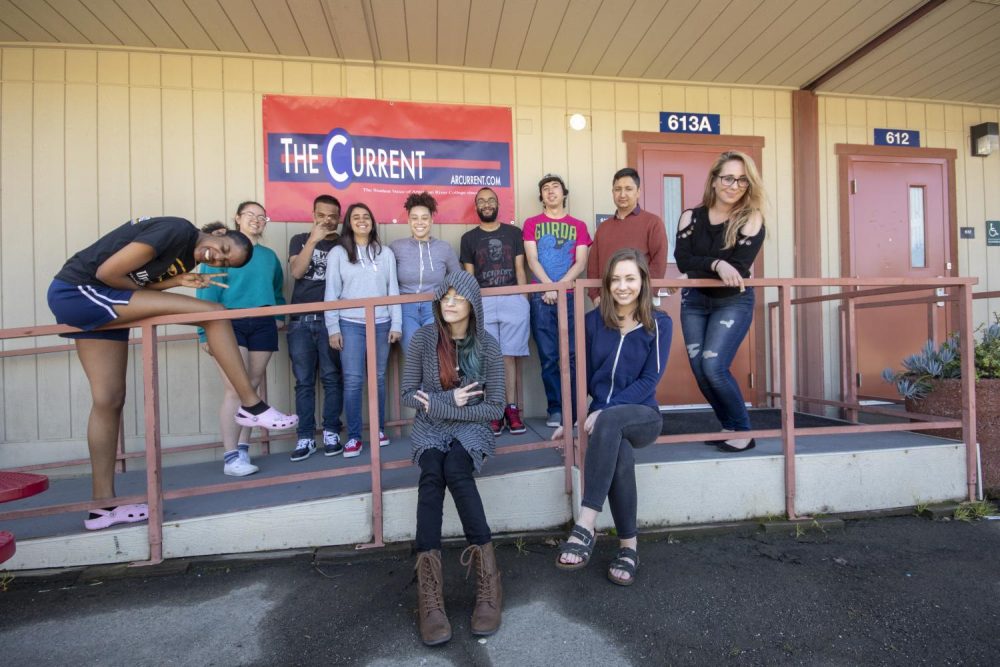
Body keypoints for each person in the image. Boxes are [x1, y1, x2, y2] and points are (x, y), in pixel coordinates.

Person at [47, 215, 297, 530]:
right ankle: (251, 404)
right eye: (221, 248)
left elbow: (137, 283)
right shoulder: (176, 230)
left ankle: (102, 508)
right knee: (214, 313)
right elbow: (108, 273)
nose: (216, 258)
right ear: (218, 232)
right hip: (81, 291)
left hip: (99, 298)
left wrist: (177, 282)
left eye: (224, 262)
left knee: (109, 399)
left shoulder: (184, 259)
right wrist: (169, 296)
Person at [553, 249, 671, 586]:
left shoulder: (659, 323)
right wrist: (571, 418)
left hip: (643, 415)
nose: (622, 286)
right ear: (607, 284)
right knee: (619, 451)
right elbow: (582, 377)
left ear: (642, 282)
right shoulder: (593, 322)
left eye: (630, 278)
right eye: (616, 279)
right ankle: (628, 547)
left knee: (610, 421)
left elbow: (650, 380)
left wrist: (606, 408)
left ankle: (586, 523)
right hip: (605, 423)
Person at [402, 270, 505, 645]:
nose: (448, 303)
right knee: (431, 475)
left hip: (471, 428)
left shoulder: (488, 346)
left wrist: (450, 409)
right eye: (444, 297)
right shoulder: (423, 339)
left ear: (471, 304)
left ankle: (488, 584)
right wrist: (449, 401)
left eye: (456, 297)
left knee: (456, 471)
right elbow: (407, 394)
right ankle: (429, 596)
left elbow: (493, 408)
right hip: (430, 428)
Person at [674, 150, 766, 453]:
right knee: (700, 369)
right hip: (695, 301)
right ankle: (728, 426)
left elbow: (737, 269)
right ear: (714, 180)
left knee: (713, 365)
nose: (734, 185)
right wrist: (716, 264)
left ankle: (743, 430)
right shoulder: (690, 216)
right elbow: (684, 260)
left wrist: (716, 265)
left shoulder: (751, 219)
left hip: (732, 303)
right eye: (728, 177)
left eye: (742, 180)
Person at [197, 201, 285, 477]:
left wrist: (278, 313)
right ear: (237, 218)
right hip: (227, 323)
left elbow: (277, 288)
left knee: (253, 388)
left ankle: (244, 450)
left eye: (262, 217)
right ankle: (230, 455)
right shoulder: (220, 251)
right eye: (250, 215)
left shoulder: (269, 256)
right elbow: (206, 294)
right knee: (237, 389)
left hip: (262, 323)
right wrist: (203, 332)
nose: (257, 220)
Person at [325, 202, 402, 457]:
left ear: (372, 221)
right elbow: (332, 292)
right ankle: (355, 437)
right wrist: (333, 327)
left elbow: (393, 290)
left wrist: (397, 322)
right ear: (349, 223)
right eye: (356, 217)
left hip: (381, 323)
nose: (361, 221)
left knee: (378, 378)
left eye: (366, 216)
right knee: (354, 380)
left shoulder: (385, 252)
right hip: (350, 324)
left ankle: (378, 430)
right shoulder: (338, 253)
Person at [523, 174, 591, 428]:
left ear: (564, 193)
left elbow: (581, 262)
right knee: (549, 356)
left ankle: (573, 409)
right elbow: (532, 260)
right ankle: (555, 409)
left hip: (570, 297)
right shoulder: (532, 223)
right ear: (541, 196)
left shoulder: (579, 226)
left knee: (572, 355)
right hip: (541, 297)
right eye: (545, 189)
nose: (551, 192)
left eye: (555, 188)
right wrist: (549, 288)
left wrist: (560, 287)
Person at [459, 187, 529, 435]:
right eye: (482, 201)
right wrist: (472, 307)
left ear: (498, 204)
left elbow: (520, 269)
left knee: (508, 356)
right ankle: (494, 409)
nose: (486, 204)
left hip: (512, 297)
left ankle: (511, 408)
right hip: (484, 300)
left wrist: (523, 299)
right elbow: (469, 277)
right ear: (476, 206)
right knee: (489, 356)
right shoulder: (468, 239)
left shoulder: (513, 233)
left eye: (491, 200)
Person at [287, 194, 345, 461]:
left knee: (332, 378)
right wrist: (313, 239)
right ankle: (306, 437)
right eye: (322, 215)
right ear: (313, 215)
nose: (327, 220)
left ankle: (332, 432)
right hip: (301, 321)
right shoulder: (299, 239)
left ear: (339, 218)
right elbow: (297, 272)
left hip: (331, 319)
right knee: (304, 382)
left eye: (332, 215)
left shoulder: (345, 244)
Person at [390, 191, 460, 353]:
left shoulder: (444, 248)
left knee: (434, 355)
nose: (419, 222)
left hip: (434, 306)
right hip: (405, 308)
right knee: (415, 354)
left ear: (431, 220)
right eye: (414, 218)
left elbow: (458, 279)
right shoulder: (396, 247)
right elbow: (386, 280)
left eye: (424, 218)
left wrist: (449, 302)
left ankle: (431, 380)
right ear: (408, 221)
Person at [586, 168, 668, 305]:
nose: (622, 194)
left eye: (628, 189)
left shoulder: (653, 222)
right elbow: (593, 265)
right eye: (617, 189)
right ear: (612, 192)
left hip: (641, 300)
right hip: (607, 300)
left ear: (638, 192)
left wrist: (647, 293)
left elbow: (659, 262)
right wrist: (595, 295)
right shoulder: (603, 227)